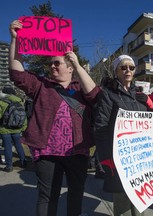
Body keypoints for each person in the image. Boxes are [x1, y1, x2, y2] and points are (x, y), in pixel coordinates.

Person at [9, 20, 99, 216]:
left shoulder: (80, 87)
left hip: (77, 152)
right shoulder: (41, 85)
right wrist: (15, 40)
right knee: (47, 195)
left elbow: (95, 95)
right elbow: (17, 74)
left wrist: (77, 63)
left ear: (70, 68)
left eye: (57, 63)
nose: (52, 66)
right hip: (47, 153)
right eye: (50, 63)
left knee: (76, 194)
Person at [93, 55, 153, 216]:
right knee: (123, 200)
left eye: (131, 67)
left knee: (140, 198)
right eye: (123, 67)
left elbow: (148, 124)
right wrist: (106, 158)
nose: (128, 70)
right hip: (119, 156)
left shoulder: (139, 94)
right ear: (116, 71)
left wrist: (149, 104)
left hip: (140, 156)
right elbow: (101, 127)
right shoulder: (108, 94)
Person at [0, 87, 27, 172]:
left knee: (7, 147)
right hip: (17, 128)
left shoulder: (2, 102)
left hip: (5, 129)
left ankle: (9, 166)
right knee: (18, 145)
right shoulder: (20, 102)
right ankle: (23, 162)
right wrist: (23, 127)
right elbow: (24, 116)